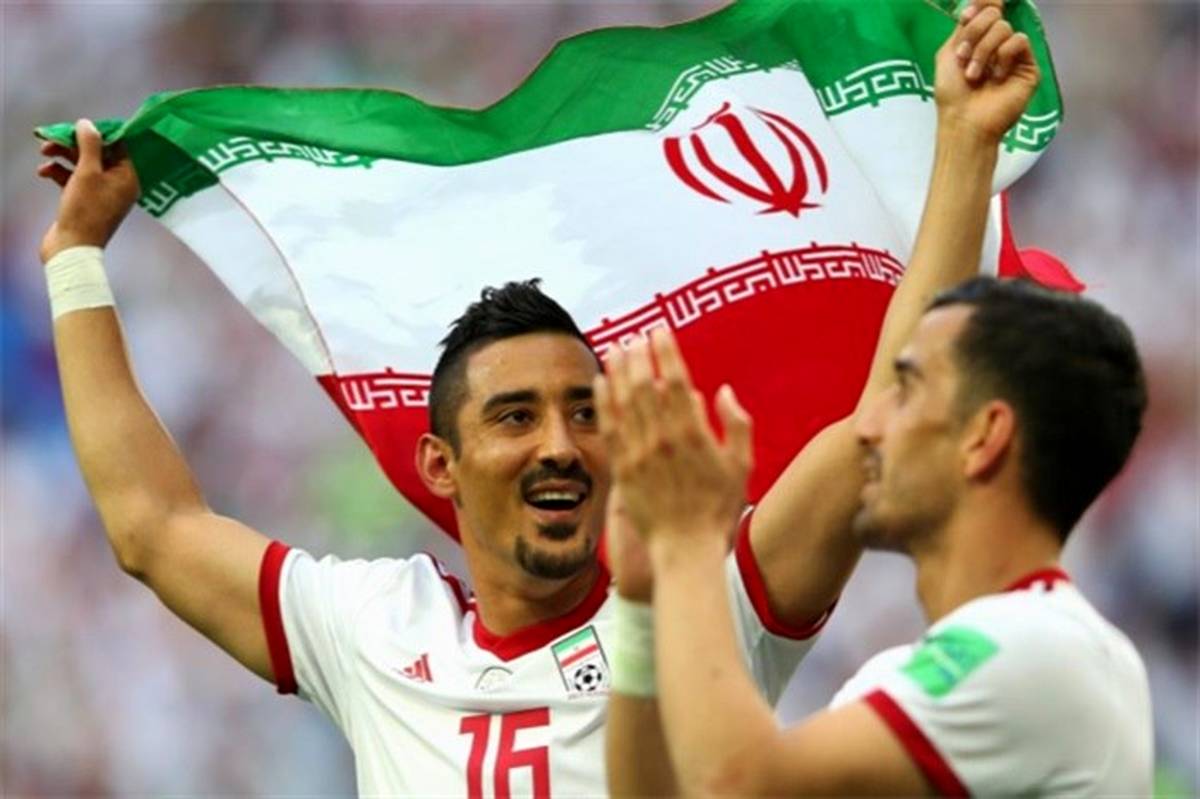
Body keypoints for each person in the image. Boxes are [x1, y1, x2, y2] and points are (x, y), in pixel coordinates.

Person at [36, 2, 1021, 795]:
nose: (560, 442)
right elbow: (153, 526)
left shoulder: (705, 607)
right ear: (440, 464)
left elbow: (876, 426)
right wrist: (75, 258)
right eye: (516, 416)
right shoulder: (378, 630)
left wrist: (965, 144)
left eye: (585, 412)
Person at [598, 26, 1153, 799]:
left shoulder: (1041, 650)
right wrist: (642, 603)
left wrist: (690, 542)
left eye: (908, 390)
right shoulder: (915, 681)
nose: (868, 424)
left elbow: (737, 780)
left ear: (984, 438)